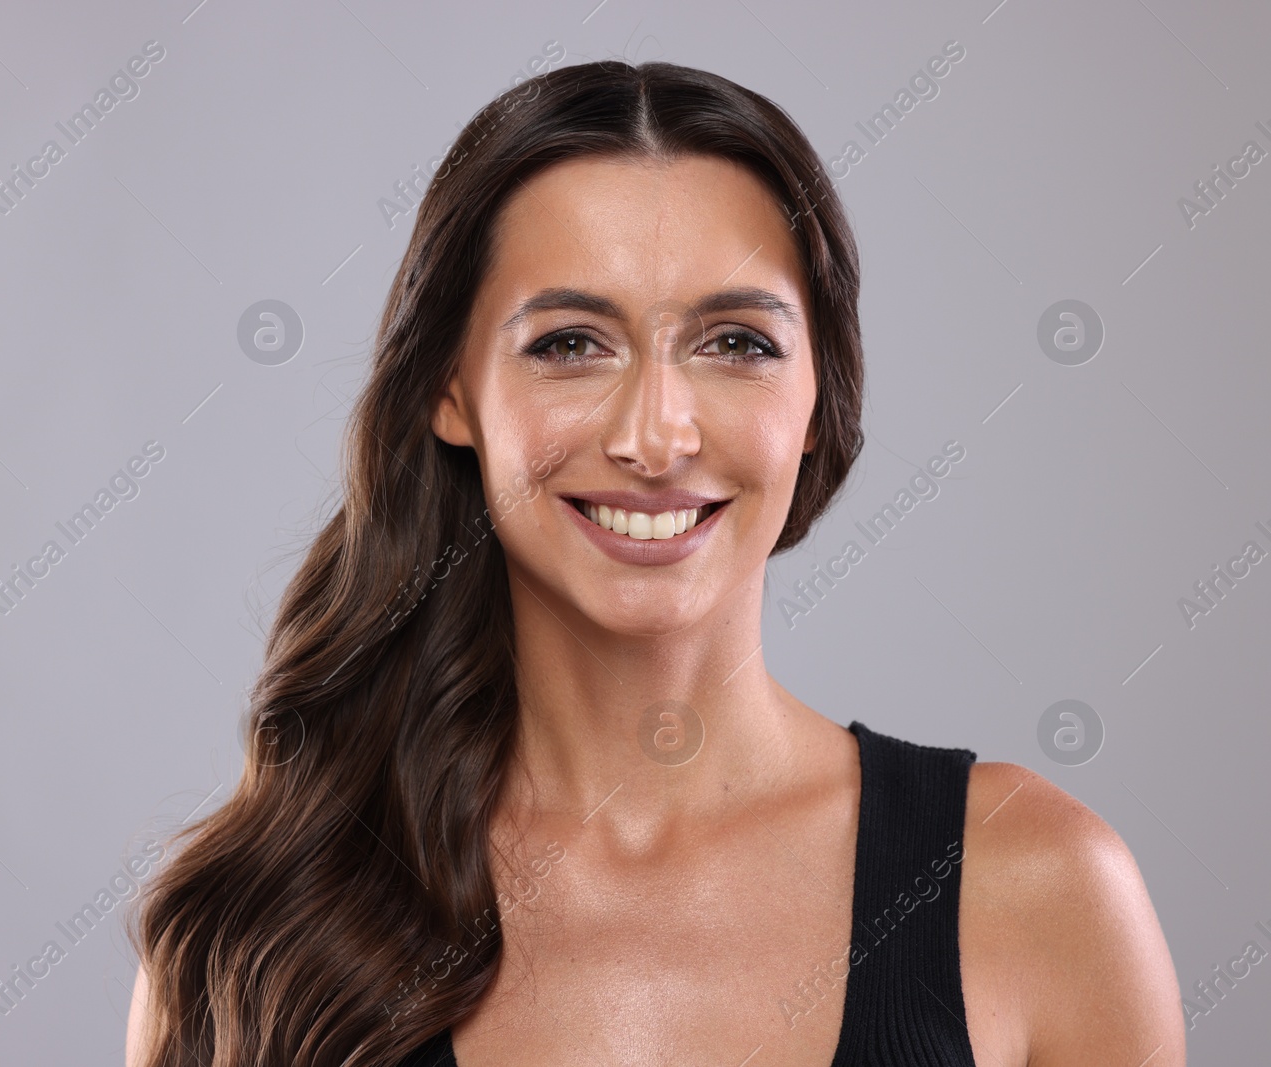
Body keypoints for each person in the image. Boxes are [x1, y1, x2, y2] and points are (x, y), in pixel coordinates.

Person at [125, 59, 1184, 1067]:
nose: (656, 436)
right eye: (570, 343)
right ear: (450, 393)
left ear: (819, 400)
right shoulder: (254, 920)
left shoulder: (1034, 882)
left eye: (735, 342)